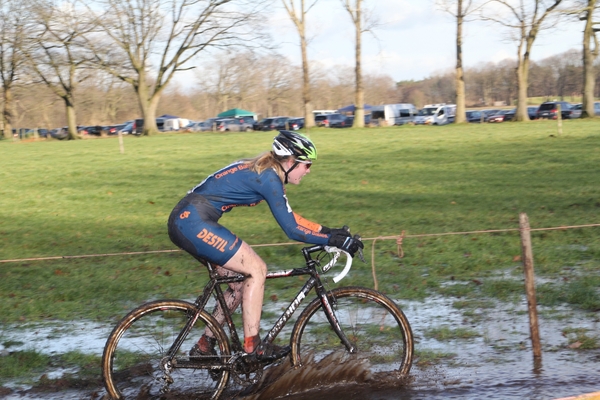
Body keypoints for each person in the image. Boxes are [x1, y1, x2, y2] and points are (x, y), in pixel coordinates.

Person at [167, 130, 363, 363]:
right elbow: (291, 230)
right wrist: (332, 241)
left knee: (239, 285)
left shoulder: (267, 172)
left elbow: (291, 218)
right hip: (192, 222)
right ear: (290, 162)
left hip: (188, 220)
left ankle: (204, 346)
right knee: (257, 269)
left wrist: (329, 232)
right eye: (307, 165)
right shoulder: (269, 178)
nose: (308, 171)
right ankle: (252, 348)